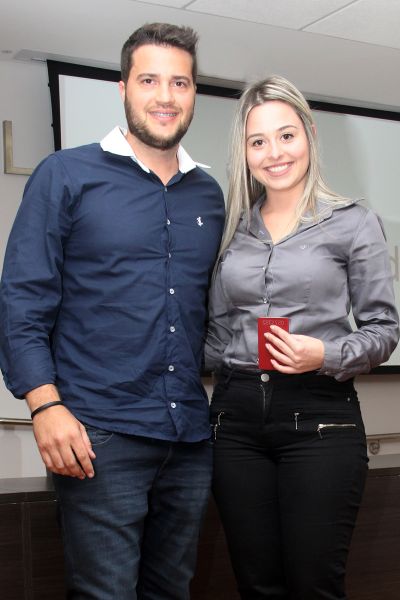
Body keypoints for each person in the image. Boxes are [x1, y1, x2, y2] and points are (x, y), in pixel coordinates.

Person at [0, 23, 225, 600]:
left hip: (188, 435)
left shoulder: (209, 194)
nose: (165, 96)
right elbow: (23, 298)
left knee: (172, 590)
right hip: (98, 434)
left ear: (194, 93)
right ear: (123, 88)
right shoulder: (66, 174)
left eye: (180, 82)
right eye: (149, 80)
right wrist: (44, 405)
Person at [205, 75, 399, 600]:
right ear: (245, 153)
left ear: (309, 134)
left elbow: (384, 329)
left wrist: (326, 354)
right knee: (256, 585)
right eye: (258, 141)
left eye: (286, 135)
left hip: (320, 419)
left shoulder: (354, 222)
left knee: (315, 586)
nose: (274, 153)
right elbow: (217, 335)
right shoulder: (232, 231)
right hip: (234, 422)